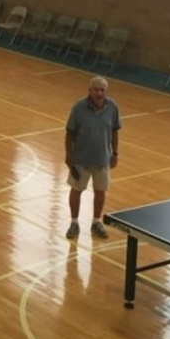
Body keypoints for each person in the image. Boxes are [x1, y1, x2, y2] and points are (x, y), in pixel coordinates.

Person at [64, 76, 121, 239]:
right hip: (80, 160)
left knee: (100, 191)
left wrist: (115, 153)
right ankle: (74, 223)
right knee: (76, 190)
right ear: (89, 90)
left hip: (103, 159)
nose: (99, 93)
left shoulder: (112, 107)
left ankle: (96, 222)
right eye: (96, 89)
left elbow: (115, 132)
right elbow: (69, 133)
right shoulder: (78, 108)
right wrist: (69, 156)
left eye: (102, 90)